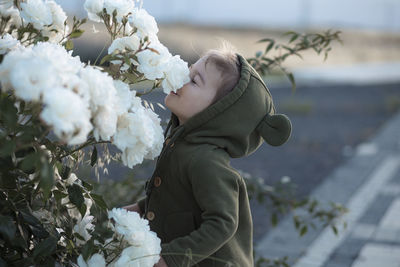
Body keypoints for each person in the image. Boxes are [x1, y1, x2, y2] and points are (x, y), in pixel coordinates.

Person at [123, 41, 292, 267]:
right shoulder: (183, 145)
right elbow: (175, 199)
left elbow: (222, 222)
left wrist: (171, 258)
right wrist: (137, 211)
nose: (181, 78)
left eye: (194, 80)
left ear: (217, 114)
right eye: (188, 71)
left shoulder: (206, 162)